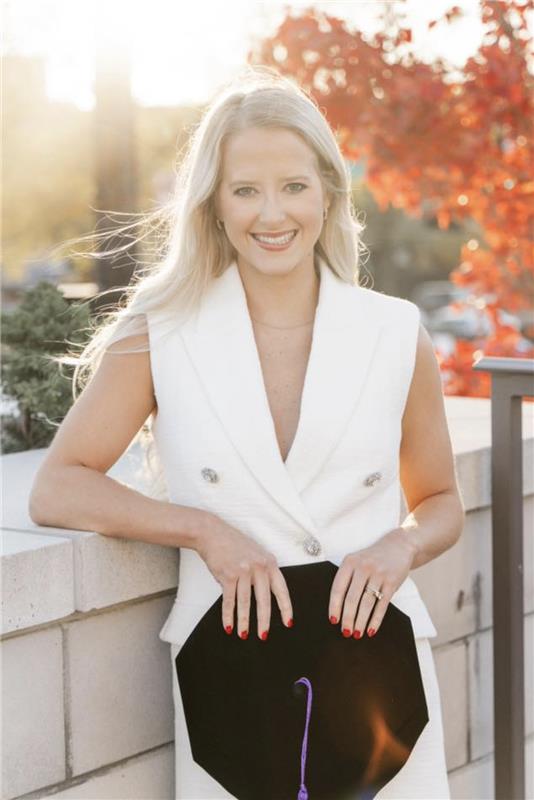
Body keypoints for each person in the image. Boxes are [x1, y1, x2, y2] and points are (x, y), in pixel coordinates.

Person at [29, 66, 464, 799]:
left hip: (380, 681)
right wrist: (204, 530)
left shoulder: (395, 332)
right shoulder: (159, 331)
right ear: (215, 204)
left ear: (328, 193)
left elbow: (443, 499)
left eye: (294, 186)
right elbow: (57, 487)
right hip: (228, 683)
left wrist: (402, 544)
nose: (273, 214)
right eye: (245, 190)